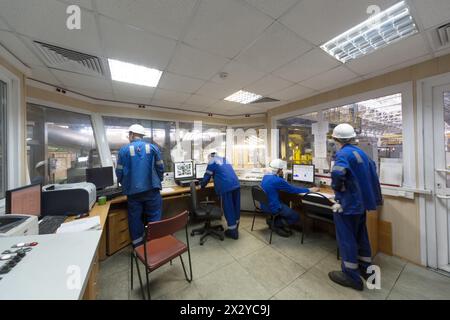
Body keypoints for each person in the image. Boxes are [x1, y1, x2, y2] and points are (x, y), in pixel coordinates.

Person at [328, 123, 383, 291]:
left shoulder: (342, 153)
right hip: (361, 204)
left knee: (347, 238)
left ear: (336, 139)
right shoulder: (362, 154)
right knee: (361, 235)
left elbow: (338, 173)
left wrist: (338, 190)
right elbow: (372, 173)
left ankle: (351, 276)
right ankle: (366, 268)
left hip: (347, 204)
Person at [115, 124, 164, 247]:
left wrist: (124, 184)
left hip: (133, 193)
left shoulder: (123, 150)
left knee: (135, 219)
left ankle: (138, 247)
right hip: (152, 190)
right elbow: (160, 168)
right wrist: (159, 180)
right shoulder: (153, 148)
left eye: (129, 135)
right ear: (142, 136)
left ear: (131, 134)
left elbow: (119, 172)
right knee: (154, 217)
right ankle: (154, 244)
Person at [260, 159, 319, 237]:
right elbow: (294, 190)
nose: (282, 171)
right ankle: (274, 224)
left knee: (285, 203)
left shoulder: (265, 177)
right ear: (278, 170)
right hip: (274, 207)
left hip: (264, 205)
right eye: (281, 170)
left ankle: (273, 221)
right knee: (296, 216)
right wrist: (309, 189)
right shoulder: (278, 180)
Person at [200, 150, 241, 240]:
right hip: (236, 184)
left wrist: (201, 185)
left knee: (228, 208)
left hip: (226, 187)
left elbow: (207, 177)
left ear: (210, 157)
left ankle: (233, 232)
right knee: (235, 207)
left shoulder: (211, 161)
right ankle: (236, 226)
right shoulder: (225, 159)